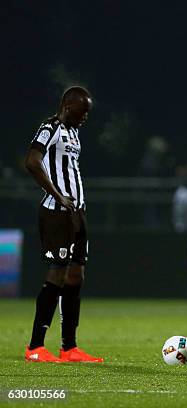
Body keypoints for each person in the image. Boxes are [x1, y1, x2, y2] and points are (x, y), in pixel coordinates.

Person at [23, 86, 103, 363]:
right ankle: (35, 346)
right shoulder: (51, 127)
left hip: (77, 213)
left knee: (76, 275)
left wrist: (75, 203)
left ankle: (69, 348)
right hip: (57, 214)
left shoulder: (74, 132)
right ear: (68, 107)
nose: (85, 118)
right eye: (83, 112)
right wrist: (58, 195)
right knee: (56, 274)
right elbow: (32, 161)